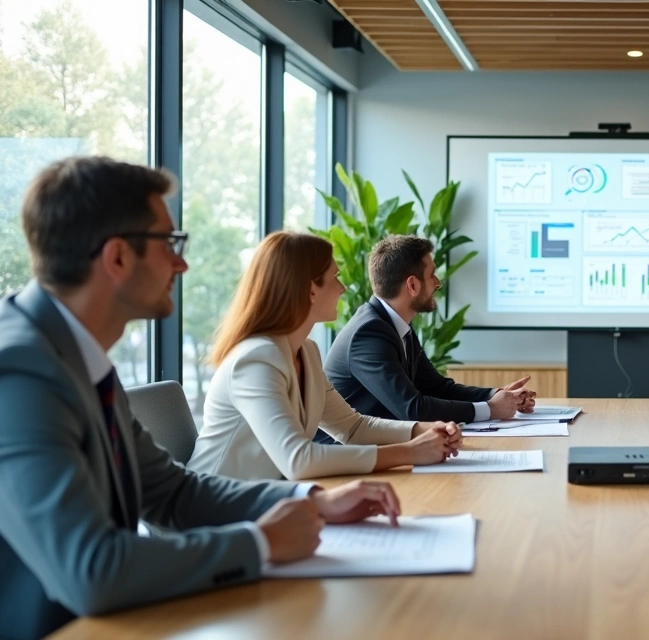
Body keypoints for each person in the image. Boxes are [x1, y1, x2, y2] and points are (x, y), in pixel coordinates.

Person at [0, 157, 404, 640]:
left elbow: (173, 491)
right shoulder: (20, 373)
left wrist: (313, 500)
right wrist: (260, 544)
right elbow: (93, 570)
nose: (182, 262)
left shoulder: (76, 353)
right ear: (117, 258)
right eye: (169, 243)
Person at [187, 232, 461, 482]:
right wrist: (410, 452)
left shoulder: (306, 352)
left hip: (266, 501)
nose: (343, 288)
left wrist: (425, 429)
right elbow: (298, 460)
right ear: (310, 290)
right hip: (214, 515)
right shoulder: (255, 360)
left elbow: (353, 428)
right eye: (335, 277)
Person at [324, 234, 535, 429]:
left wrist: (497, 395)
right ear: (412, 285)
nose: (438, 283)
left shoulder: (392, 324)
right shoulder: (369, 333)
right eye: (432, 275)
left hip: (381, 448)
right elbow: (412, 409)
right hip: (350, 459)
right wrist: (490, 409)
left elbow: (437, 387)